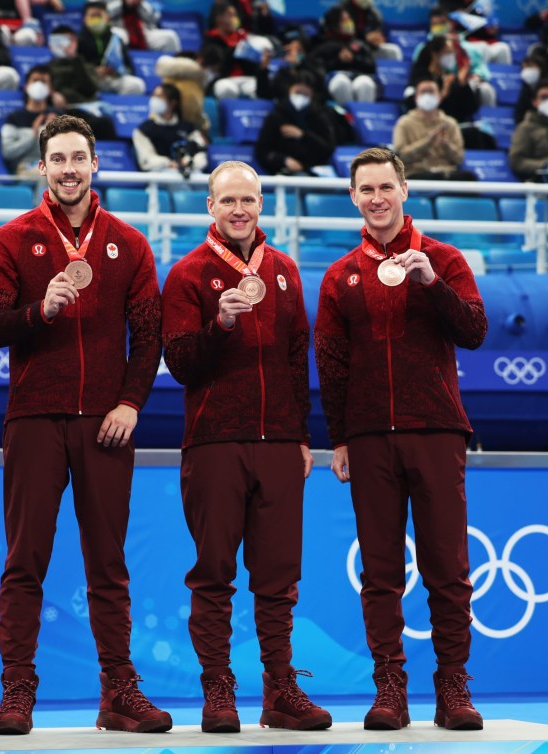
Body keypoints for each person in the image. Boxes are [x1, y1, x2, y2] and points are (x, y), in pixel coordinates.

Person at [0, 115, 169, 736]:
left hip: (107, 424)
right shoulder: (10, 240)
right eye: (57, 159)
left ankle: (118, 691)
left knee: (108, 564)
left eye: (78, 158)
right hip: (34, 419)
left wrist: (131, 403)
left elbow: (150, 337)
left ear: (94, 164)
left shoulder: (129, 244)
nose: (68, 169)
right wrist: (39, 309)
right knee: (24, 560)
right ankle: (17, 692)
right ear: (41, 168)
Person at [314, 147, 487, 733]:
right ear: (354, 198)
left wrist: (432, 283)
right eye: (366, 190)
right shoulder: (340, 276)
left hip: (436, 429)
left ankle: (454, 687)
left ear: (404, 190)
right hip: (368, 437)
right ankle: (390, 686)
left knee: (448, 566)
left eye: (386, 187)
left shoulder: (444, 259)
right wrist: (338, 439)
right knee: (381, 571)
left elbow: (475, 331)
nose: (377, 198)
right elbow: (331, 363)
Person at [161, 160, 331, 734]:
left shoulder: (283, 270)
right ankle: (218, 691)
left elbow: (295, 359)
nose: (239, 210)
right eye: (228, 200)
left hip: (280, 442)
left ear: (261, 205)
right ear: (209, 206)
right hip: (214, 442)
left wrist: (302, 437)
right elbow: (181, 364)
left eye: (249, 200)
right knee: (213, 573)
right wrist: (221, 325)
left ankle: (281, 691)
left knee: (279, 577)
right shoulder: (187, 275)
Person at [393, 77, 474, 181]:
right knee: (432, 178)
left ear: (439, 97)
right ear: (416, 97)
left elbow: (459, 159)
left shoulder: (450, 123)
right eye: (423, 92)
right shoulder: (404, 123)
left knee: (469, 178)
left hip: (447, 173)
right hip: (417, 173)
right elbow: (401, 157)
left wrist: (445, 144)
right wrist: (427, 142)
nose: (427, 96)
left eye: (431, 92)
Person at [254, 75, 337, 176]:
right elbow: (262, 151)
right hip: (281, 172)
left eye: (305, 94)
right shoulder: (276, 116)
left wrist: (303, 135)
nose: (301, 97)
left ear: (312, 95)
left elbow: (328, 148)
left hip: (314, 171)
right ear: (289, 91)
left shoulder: (320, 117)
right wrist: (283, 160)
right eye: (298, 92)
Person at [132, 83, 207, 174]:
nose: (154, 100)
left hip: (188, 170)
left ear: (173, 102)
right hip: (160, 173)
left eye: (159, 96)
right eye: (153, 96)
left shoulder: (188, 128)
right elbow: (146, 160)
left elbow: (200, 153)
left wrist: (189, 161)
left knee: (198, 174)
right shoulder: (144, 130)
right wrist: (168, 163)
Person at [310, 5, 377, 104]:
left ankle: (362, 116)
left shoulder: (359, 44)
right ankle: (347, 117)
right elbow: (318, 70)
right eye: (344, 20)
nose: (348, 22)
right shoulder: (323, 45)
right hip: (334, 80)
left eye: (349, 19)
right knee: (342, 83)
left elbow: (371, 66)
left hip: (357, 77)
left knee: (365, 83)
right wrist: (338, 60)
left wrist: (354, 59)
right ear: (334, 24)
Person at [77, 0, 146, 95]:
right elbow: (74, 68)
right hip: (89, 80)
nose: (96, 19)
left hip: (111, 79)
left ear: (107, 18)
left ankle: (123, 107)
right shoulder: (78, 41)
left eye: (99, 16)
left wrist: (116, 72)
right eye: (93, 16)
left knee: (136, 84)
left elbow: (130, 68)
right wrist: (93, 71)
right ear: (84, 19)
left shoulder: (116, 39)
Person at [331, 0, 402, 60]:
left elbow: (378, 34)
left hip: (368, 48)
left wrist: (377, 39)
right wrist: (365, 38)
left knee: (393, 51)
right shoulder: (340, 10)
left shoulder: (374, 13)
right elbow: (334, 36)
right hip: (345, 48)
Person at [105, 0, 179, 53]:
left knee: (170, 37)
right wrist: (123, 3)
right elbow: (104, 13)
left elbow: (154, 19)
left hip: (142, 32)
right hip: (119, 29)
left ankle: (174, 71)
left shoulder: (145, 4)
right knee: (118, 36)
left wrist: (140, 4)